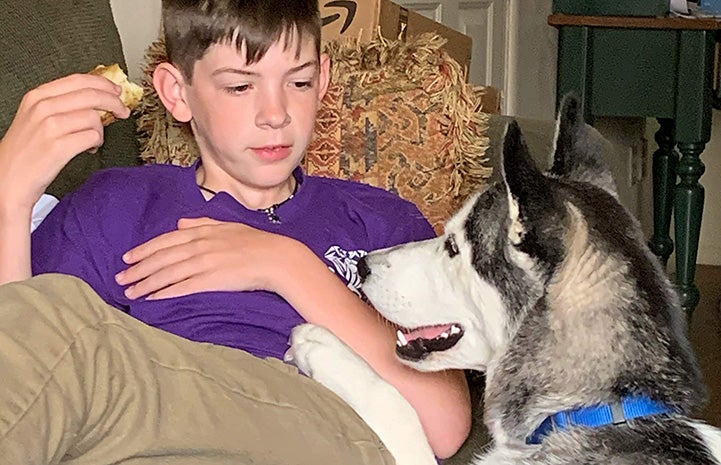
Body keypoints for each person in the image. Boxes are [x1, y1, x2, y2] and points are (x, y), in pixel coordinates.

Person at [0, 0, 471, 463]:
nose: (275, 113)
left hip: (322, 423)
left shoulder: (378, 221)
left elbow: (444, 426)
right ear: (176, 92)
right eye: (240, 87)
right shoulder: (116, 205)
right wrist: (8, 201)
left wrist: (287, 266)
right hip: (141, 429)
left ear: (323, 80)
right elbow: (25, 359)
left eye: (300, 81)